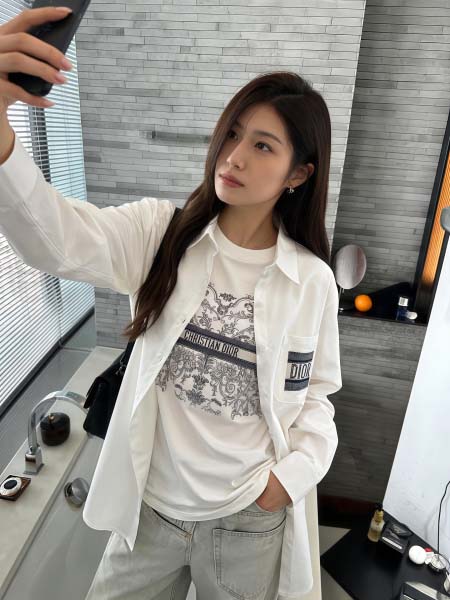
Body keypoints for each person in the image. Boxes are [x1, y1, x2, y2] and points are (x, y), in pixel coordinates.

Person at [0, 7, 342, 600]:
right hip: (151, 511)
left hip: (247, 519)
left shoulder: (309, 280)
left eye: (262, 145)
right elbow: (57, 240)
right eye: (232, 134)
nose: (233, 157)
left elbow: (316, 395)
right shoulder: (163, 234)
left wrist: (284, 483)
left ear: (298, 174)